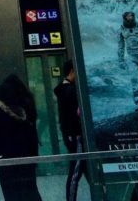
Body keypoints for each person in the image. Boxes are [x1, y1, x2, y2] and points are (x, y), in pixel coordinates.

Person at [0, 74, 42, 201]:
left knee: (11, 194)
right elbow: (32, 135)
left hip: (5, 158)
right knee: (30, 191)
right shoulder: (26, 108)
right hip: (25, 157)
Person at [54, 60, 89, 201]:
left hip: (71, 134)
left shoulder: (64, 89)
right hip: (76, 135)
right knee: (76, 171)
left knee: (85, 169)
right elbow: (75, 115)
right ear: (72, 71)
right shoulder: (71, 91)